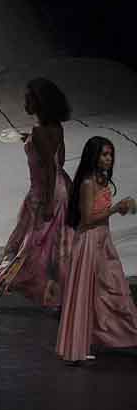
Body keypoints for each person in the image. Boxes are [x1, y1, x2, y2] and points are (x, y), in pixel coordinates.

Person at [0, 78, 72, 306]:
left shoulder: (40, 131)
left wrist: (47, 203)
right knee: (51, 246)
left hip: (44, 193)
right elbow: (58, 160)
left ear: (40, 102)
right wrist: (29, 140)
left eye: (29, 98)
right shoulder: (53, 128)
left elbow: (50, 168)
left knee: (28, 245)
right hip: (58, 190)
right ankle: (61, 294)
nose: (25, 102)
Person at [56, 137, 137, 364]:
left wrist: (118, 210)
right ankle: (78, 347)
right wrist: (115, 209)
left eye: (110, 154)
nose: (108, 159)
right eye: (104, 154)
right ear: (93, 156)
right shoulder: (88, 183)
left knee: (111, 287)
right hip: (89, 242)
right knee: (89, 291)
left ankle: (121, 335)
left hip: (102, 241)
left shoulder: (102, 181)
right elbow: (88, 218)